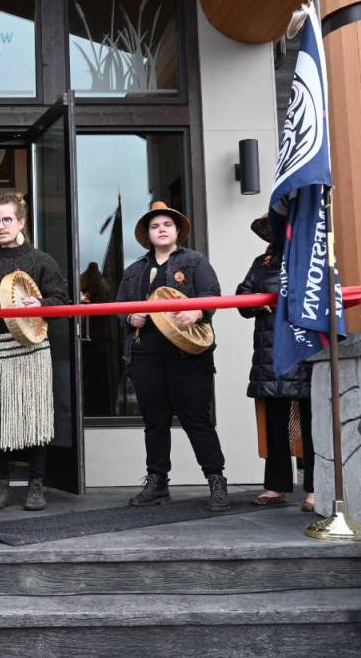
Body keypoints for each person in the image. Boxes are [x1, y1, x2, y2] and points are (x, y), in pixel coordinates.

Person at [116, 201, 229, 511]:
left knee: (196, 419)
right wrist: (129, 319)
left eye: (167, 224)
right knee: (154, 422)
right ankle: (157, 483)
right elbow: (119, 308)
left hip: (188, 355)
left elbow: (212, 295)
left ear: (177, 230)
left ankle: (216, 480)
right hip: (146, 354)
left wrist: (198, 310)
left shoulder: (195, 261)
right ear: (148, 235)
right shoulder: (134, 270)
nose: (161, 229)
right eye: (155, 226)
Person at [0, 193, 70, 511]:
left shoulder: (41, 261)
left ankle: (36, 485)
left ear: (21, 221)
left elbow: (61, 300)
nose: (1, 225)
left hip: (31, 348)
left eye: (7, 219)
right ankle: (2, 485)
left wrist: (40, 304)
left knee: (33, 417)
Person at [236, 214, 315, 511]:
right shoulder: (262, 262)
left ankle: (315, 488)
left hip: (305, 349)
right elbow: (242, 297)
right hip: (270, 352)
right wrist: (260, 300)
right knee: (275, 423)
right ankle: (276, 486)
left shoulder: (312, 258)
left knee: (311, 423)